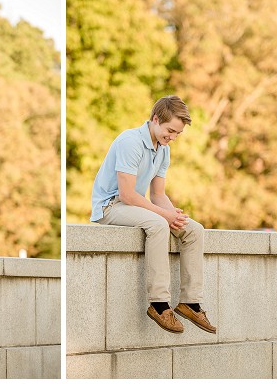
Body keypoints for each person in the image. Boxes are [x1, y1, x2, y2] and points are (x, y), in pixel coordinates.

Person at [90, 95, 215, 334]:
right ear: (155, 119)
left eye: (178, 133)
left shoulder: (163, 149)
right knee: (158, 224)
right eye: (170, 131)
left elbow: (158, 195)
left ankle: (190, 302)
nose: (173, 137)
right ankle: (158, 304)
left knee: (194, 229)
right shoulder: (130, 141)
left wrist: (172, 214)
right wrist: (164, 216)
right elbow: (127, 194)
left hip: (135, 207)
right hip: (110, 206)